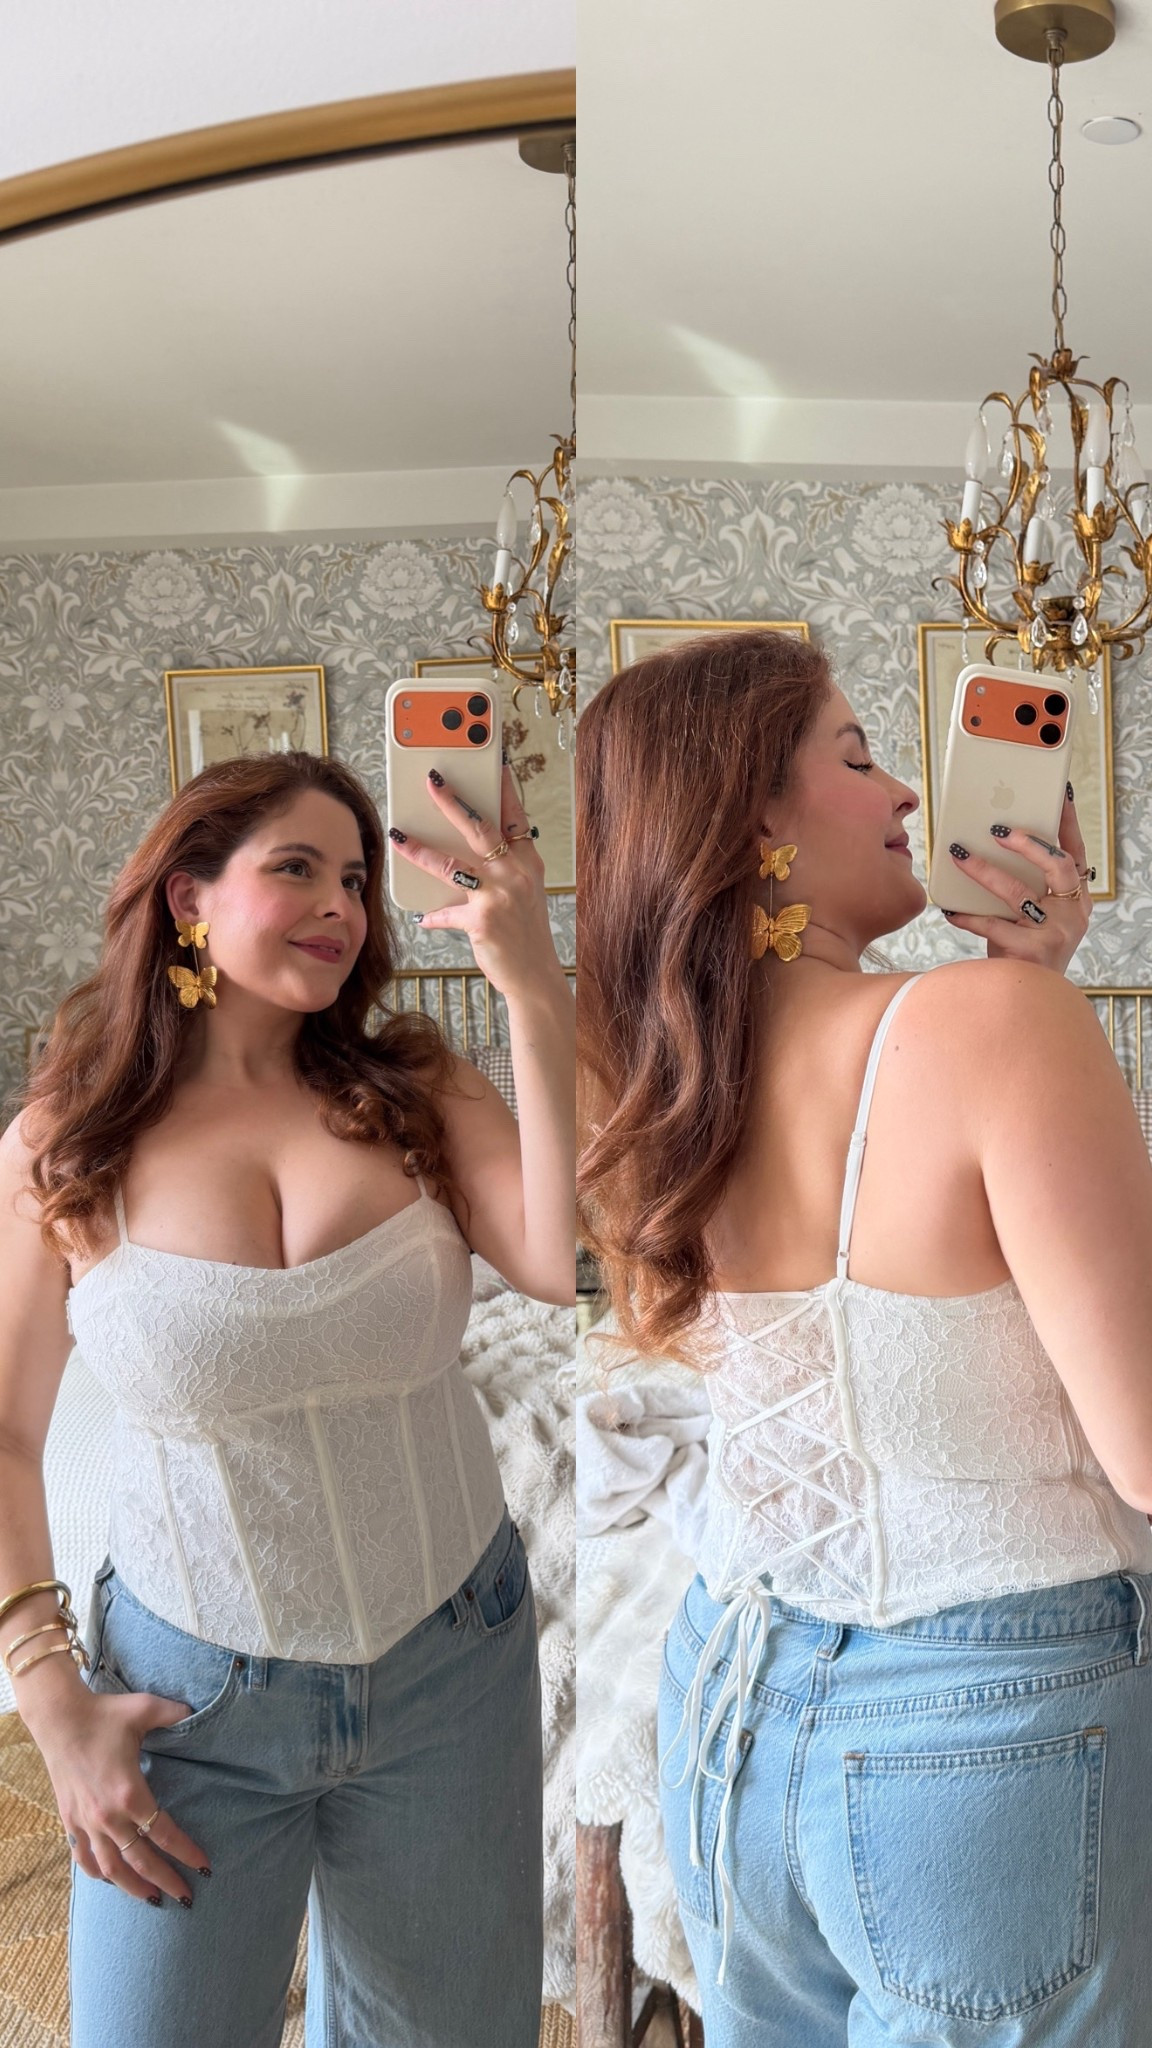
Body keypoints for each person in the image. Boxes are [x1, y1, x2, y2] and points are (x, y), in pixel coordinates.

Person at [575, 629, 1152, 2048]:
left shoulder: (666, 1083)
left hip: (728, 1709)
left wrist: (1035, 986)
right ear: (750, 824)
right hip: (985, 1730)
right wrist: (1038, 999)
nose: (905, 792)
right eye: (856, 755)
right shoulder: (994, 1025)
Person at [0, 747, 574, 2048]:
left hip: (452, 1664)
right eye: (297, 869)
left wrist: (532, 982)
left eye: (357, 880)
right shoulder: (71, 1141)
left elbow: (553, 1258)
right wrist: (50, 1705)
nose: (339, 905)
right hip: (187, 1698)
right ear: (188, 899)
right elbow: (6, 1429)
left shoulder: (415, 1088)